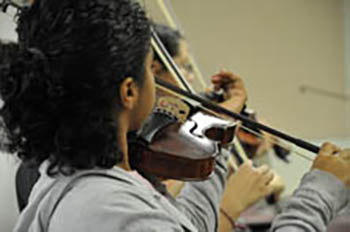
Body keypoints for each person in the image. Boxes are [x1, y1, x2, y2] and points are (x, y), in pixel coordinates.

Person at [0, 2, 348, 232]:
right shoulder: (112, 211)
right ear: (129, 92)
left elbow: (186, 224)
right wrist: (319, 195)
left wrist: (218, 122)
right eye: (149, 68)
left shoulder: (75, 177)